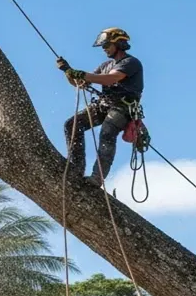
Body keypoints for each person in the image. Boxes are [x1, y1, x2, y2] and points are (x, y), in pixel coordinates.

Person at [56, 27, 143, 187]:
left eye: (107, 45)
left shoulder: (130, 63)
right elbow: (81, 83)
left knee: (106, 134)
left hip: (122, 108)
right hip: (104, 105)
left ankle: (97, 178)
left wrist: (81, 74)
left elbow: (109, 79)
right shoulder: (105, 65)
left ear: (119, 44)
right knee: (72, 124)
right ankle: (76, 167)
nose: (104, 49)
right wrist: (68, 71)